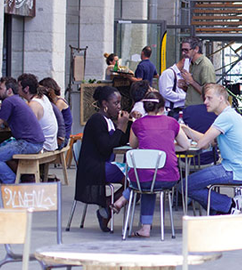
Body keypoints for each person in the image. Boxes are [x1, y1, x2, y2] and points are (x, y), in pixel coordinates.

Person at [180, 83, 242, 214]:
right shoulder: (230, 114)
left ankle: (229, 205)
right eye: (205, 98)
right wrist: (185, 129)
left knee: (185, 185)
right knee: (189, 185)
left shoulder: (225, 117)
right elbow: (209, 141)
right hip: (239, 168)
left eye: (209, 98)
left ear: (221, 98)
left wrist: (181, 131)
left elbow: (202, 143)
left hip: (233, 170)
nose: (205, 102)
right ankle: (219, 212)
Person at [124, 95, 193, 237]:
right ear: (162, 108)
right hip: (169, 177)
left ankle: (144, 226)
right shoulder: (172, 122)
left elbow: (133, 145)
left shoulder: (137, 124)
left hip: (142, 178)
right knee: (151, 179)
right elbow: (185, 145)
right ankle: (145, 228)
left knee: (146, 179)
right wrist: (168, 149)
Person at [75, 86, 131, 231]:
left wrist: (128, 123)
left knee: (137, 180)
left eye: (119, 103)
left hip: (104, 164)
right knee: (136, 180)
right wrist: (120, 127)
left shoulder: (108, 120)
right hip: (95, 167)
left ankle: (108, 205)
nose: (119, 107)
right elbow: (106, 147)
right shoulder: (97, 120)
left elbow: (119, 141)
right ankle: (108, 206)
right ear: (105, 104)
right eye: (115, 103)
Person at [0, 79, 47, 188]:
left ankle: (13, 184)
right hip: (35, 142)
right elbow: (4, 122)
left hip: (28, 143)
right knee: (0, 149)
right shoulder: (17, 100)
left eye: (1, 88)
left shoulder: (9, 101)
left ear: (9, 91)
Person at [18, 73, 58, 152]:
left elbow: (27, 129)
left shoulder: (33, 104)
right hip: (51, 143)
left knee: (4, 149)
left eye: (19, 86)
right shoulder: (43, 97)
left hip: (43, 146)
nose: (17, 88)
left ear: (26, 89)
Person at [180, 37, 215, 107]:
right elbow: (194, 90)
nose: (183, 53)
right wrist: (185, 86)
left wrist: (192, 81)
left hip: (200, 108)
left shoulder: (205, 65)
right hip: (190, 106)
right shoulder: (192, 64)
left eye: (186, 50)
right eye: (182, 50)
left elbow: (210, 92)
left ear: (196, 49)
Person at [158, 51, 187, 117]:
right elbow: (166, 93)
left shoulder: (183, 74)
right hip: (173, 111)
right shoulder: (168, 73)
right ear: (184, 61)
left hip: (182, 110)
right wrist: (185, 97)